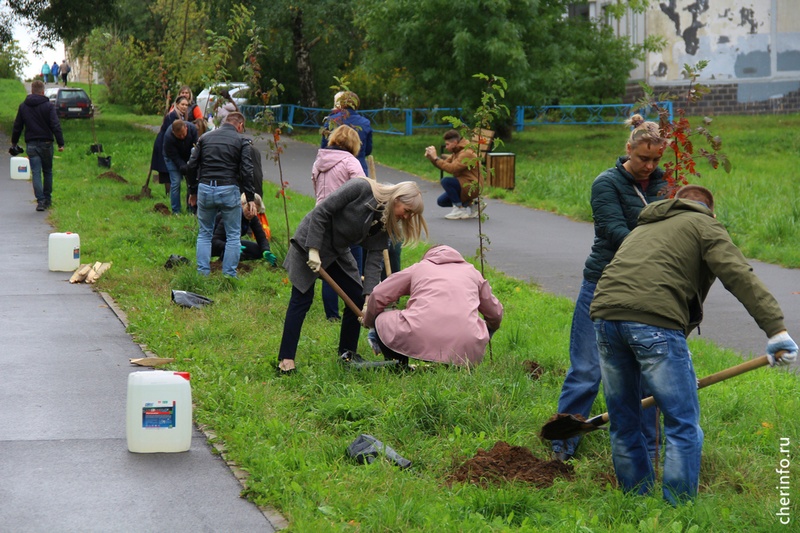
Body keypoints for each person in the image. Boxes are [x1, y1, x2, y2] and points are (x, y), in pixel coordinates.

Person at [590, 184, 798, 506]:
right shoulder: (704, 224)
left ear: (675, 203)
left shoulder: (645, 226)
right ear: (711, 212)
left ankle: (634, 503)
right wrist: (776, 330)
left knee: (623, 420)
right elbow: (738, 274)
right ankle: (678, 509)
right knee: (682, 424)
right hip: (653, 323)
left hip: (605, 319)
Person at [552, 114, 668, 462]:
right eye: (643, 158)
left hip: (648, 289)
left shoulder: (666, 185)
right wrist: (661, 247)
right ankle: (562, 445)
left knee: (648, 376)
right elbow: (614, 231)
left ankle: (649, 452)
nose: (649, 166)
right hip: (602, 283)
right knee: (587, 369)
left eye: (655, 159)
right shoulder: (606, 183)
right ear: (628, 149)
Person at [276, 177, 428, 374]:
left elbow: (374, 260)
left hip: (337, 251)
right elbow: (322, 211)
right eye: (407, 211)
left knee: (356, 297)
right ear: (397, 198)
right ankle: (286, 361)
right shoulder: (361, 188)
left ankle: (347, 355)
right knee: (302, 298)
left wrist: (368, 299)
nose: (406, 217)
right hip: (311, 239)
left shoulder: (386, 221)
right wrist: (313, 249)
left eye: (411, 215)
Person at [362, 245, 503, 367]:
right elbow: (495, 314)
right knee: (476, 326)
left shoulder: (420, 267)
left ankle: (398, 364)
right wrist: (487, 331)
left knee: (382, 319)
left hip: (420, 336)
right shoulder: (472, 272)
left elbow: (378, 295)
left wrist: (369, 322)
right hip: (466, 345)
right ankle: (458, 362)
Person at [186, 112, 256, 278]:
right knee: (233, 235)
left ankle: (202, 274)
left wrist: (193, 191)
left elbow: (191, 165)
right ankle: (229, 275)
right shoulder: (242, 141)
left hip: (205, 188)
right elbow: (247, 170)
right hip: (228, 189)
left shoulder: (205, 138)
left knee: (204, 234)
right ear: (240, 125)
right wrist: (250, 198)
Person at [313, 124, 367, 321]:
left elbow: (316, 188)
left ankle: (332, 315)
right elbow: (362, 189)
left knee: (328, 266)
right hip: (345, 221)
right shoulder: (350, 162)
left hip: (321, 219)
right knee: (354, 267)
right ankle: (353, 309)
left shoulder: (319, 162)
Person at [10, 80, 65, 211]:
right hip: (46, 143)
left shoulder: (23, 106)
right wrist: (60, 143)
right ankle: (47, 199)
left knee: (36, 172)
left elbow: (17, 126)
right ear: (43, 91)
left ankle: (40, 201)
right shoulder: (49, 106)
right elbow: (55, 125)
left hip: (31, 144)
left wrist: (14, 142)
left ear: (32, 90)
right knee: (47, 171)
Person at [424, 129, 482, 220]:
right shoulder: (457, 152)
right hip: (464, 184)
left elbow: (452, 168)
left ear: (455, 142)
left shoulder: (466, 153)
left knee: (446, 181)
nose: (446, 147)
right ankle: (474, 204)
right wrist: (432, 158)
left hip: (472, 186)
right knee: (441, 201)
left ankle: (460, 209)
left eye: (447, 144)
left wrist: (436, 158)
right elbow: (444, 164)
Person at [211, 193, 277, 266]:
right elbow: (214, 241)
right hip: (211, 245)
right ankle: (222, 264)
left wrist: (266, 250)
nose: (251, 213)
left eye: (255, 211)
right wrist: (231, 247)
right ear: (242, 204)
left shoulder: (253, 218)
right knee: (235, 251)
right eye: (249, 209)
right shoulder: (230, 216)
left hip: (231, 243)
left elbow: (261, 237)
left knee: (259, 251)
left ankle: (228, 260)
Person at [321, 91, 373, 175]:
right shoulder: (365, 123)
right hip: (359, 169)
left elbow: (324, 148)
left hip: (334, 170)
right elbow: (368, 150)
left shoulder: (331, 121)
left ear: (340, 103)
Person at [151, 96, 190, 195]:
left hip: (171, 143)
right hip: (164, 143)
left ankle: (170, 193)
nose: (184, 107)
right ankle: (168, 193)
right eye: (182, 104)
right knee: (166, 170)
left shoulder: (182, 116)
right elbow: (171, 133)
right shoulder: (172, 116)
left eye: (186, 105)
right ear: (177, 105)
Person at [163, 119, 199, 214]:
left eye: (183, 134)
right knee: (176, 182)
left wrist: (191, 165)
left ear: (186, 128)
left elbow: (196, 148)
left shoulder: (193, 130)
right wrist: (182, 166)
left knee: (191, 182)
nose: (182, 137)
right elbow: (174, 156)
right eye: (179, 136)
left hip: (188, 155)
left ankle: (191, 208)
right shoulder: (168, 137)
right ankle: (176, 211)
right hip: (172, 158)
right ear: (173, 132)